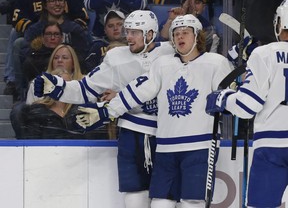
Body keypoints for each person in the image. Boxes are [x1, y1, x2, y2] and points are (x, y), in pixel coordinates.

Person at [74, 14, 233, 207]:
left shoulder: (216, 63)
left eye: (185, 33)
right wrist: (107, 111)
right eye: (176, 33)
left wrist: (225, 99)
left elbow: (231, 97)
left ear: (197, 35)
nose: (180, 37)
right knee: (159, 203)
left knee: (192, 203)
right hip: (166, 147)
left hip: (199, 146)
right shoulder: (162, 64)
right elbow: (137, 91)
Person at [33, 10, 175, 208]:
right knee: (134, 195)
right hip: (132, 132)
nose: (128, 37)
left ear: (150, 34)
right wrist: (58, 88)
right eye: (128, 31)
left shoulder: (171, 51)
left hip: (168, 133)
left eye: (135, 32)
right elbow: (86, 89)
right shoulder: (116, 58)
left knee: (165, 198)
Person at [205, 0, 288, 208]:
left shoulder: (265, 54)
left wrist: (223, 98)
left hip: (272, 148)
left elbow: (246, 106)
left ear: (279, 24)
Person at [17, 68, 99, 139]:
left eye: (67, 84)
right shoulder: (37, 111)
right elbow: (33, 141)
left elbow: (88, 138)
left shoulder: (81, 111)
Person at [22, 22, 64, 91]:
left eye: (56, 34)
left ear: (62, 38)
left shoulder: (70, 56)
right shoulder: (32, 59)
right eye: (48, 34)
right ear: (43, 38)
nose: (52, 38)